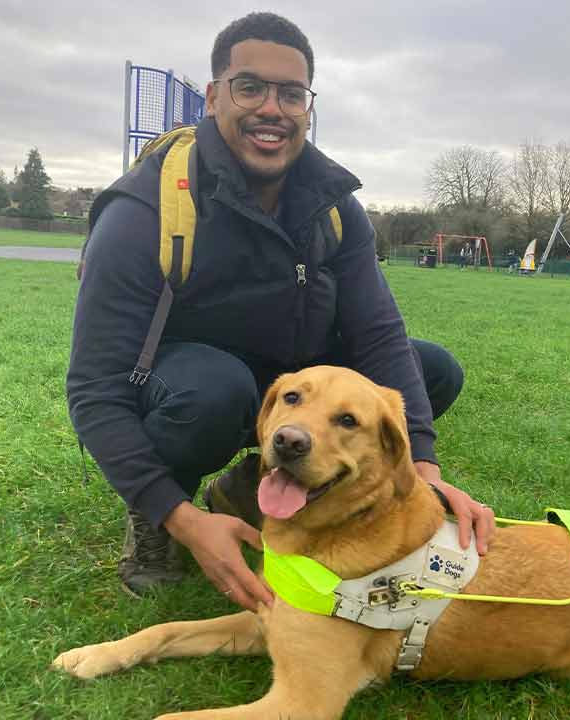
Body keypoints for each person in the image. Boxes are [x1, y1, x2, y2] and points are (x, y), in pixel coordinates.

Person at [67, 12, 495, 613]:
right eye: (250, 87)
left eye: (291, 94)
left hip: (292, 395)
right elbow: (93, 388)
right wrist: (182, 518)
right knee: (214, 391)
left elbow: (378, 334)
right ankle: (159, 517)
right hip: (194, 385)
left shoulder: (333, 203)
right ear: (214, 96)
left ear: (307, 107)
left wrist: (423, 467)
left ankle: (252, 488)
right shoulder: (144, 209)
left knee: (430, 369)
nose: (272, 108)